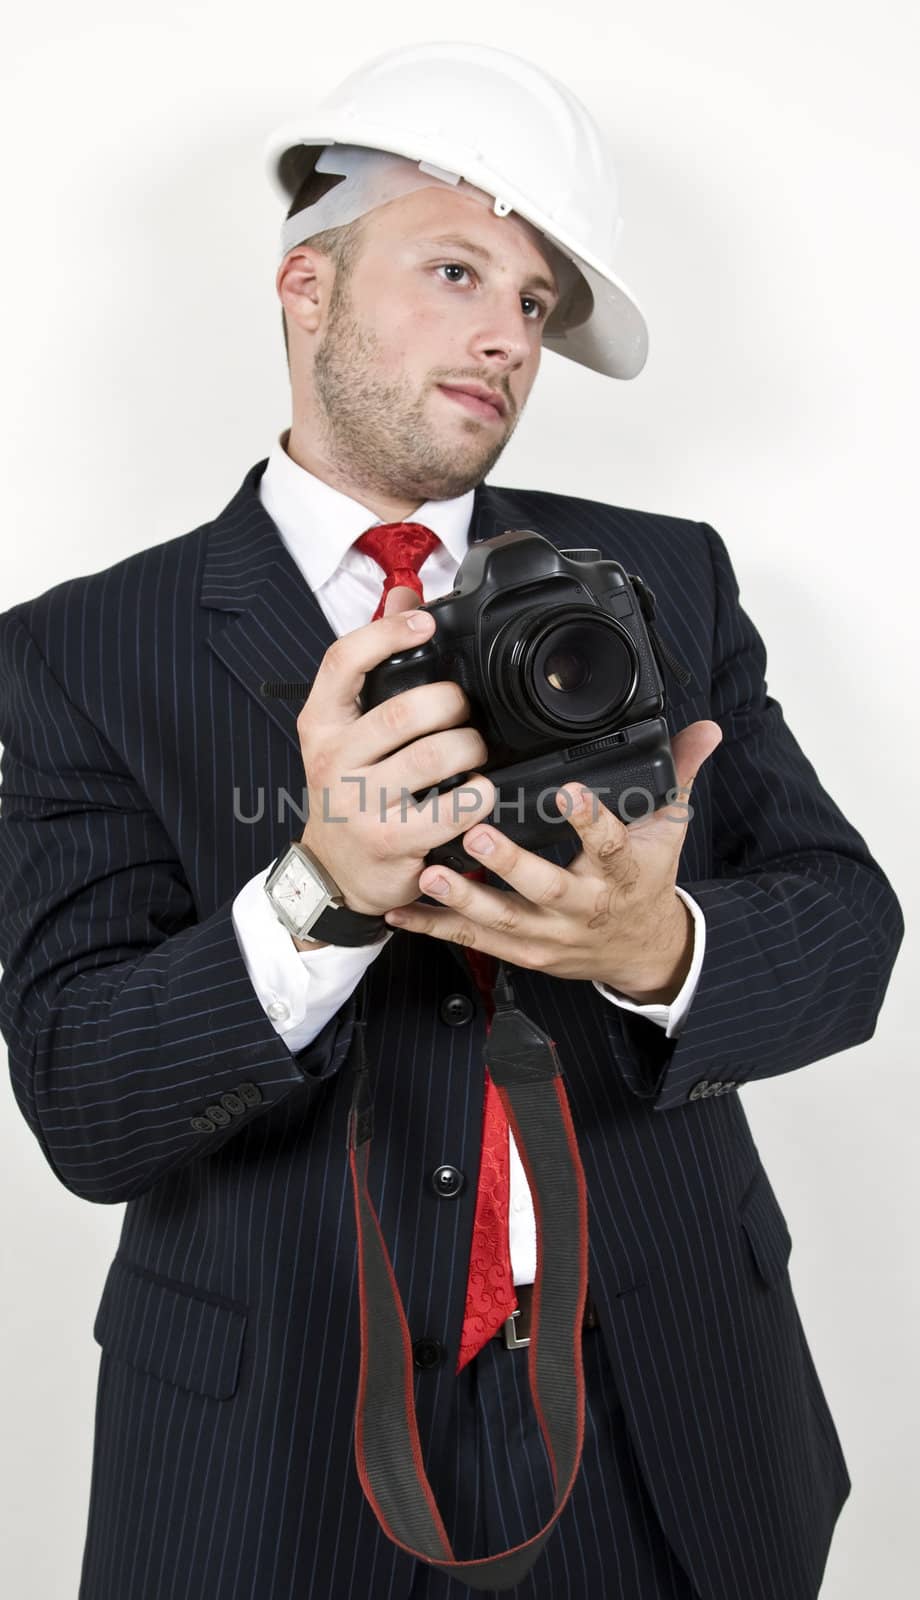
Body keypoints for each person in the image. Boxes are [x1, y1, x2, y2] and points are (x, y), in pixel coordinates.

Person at [0, 40, 903, 1600]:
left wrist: (658, 946)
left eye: (535, 305)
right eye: (456, 272)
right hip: (267, 1460)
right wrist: (315, 892)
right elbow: (86, 1100)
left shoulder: (663, 580)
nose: (507, 339)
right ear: (306, 285)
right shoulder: (74, 653)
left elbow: (850, 928)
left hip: (664, 1435)